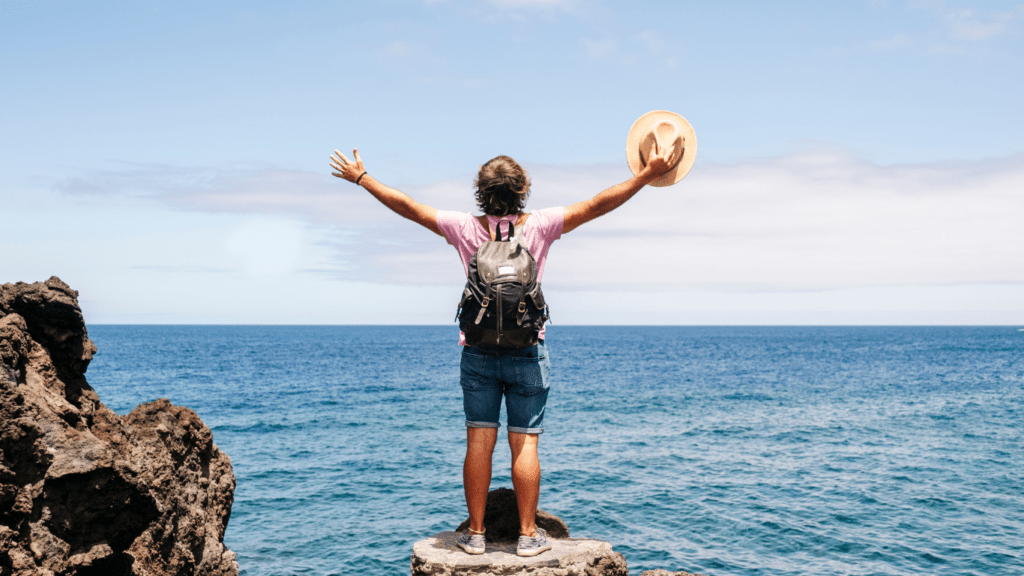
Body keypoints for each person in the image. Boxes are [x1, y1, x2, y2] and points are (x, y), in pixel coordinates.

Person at [329, 137, 679, 557]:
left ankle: (475, 536)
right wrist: (644, 176)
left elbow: (408, 206)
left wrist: (363, 178)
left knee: (479, 440)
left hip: (477, 354)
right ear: (522, 190)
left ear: (481, 191)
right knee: (525, 442)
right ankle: (529, 537)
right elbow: (597, 204)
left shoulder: (464, 227)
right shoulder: (542, 224)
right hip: (529, 352)